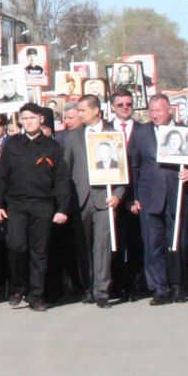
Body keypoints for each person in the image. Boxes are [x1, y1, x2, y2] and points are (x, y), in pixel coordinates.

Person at [0, 103, 74, 310]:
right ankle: (19, 286)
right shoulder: (12, 144)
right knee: (16, 247)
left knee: (39, 252)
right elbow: (0, 176)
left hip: (43, 205)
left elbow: (61, 180)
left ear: (41, 119)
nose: (28, 122)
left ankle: (36, 295)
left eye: (32, 118)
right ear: (20, 120)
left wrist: (62, 209)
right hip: (17, 204)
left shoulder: (52, 147)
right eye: (24, 118)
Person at [128, 93, 188, 304]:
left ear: (169, 111)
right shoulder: (141, 133)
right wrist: (133, 197)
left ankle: (178, 285)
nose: (155, 115)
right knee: (152, 245)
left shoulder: (184, 131)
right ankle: (159, 289)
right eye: (152, 111)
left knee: (178, 242)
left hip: (177, 195)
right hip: (149, 196)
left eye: (159, 111)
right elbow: (133, 165)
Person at [60, 94, 125, 307]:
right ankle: (87, 286)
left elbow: (122, 170)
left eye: (82, 110)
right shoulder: (74, 136)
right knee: (83, 246)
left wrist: (118, 194)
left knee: (102, 244)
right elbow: (66, 170)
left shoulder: (113, 135)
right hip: (80, 199)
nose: (79, 114)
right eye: (77, 111)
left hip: (104, 198)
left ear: (96, 111)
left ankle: (102, 291)